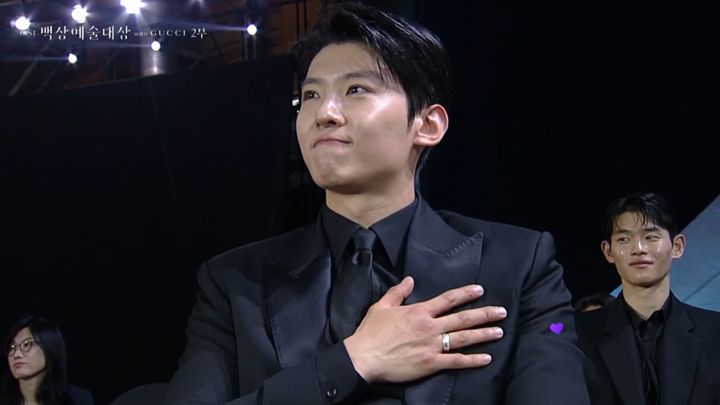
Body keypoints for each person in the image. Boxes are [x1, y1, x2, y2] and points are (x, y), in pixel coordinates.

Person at [165, 3, 589, 404]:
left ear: (427, 124)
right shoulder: (233, 282)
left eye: (356, 89)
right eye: (310, 96)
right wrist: (352, 361)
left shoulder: (520, 265)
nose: (325, 113)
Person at [576, 192, 720, 405]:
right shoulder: (578, 333)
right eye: (624, 239)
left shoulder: (714, 331)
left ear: (677, 246)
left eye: (651, 237)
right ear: (608, 251)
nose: (638, 249)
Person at [1, 316, 93, 405]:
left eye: (27, 344)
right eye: (12, 347)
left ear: (49, 347)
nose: (16, 354)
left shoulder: (77, 399)